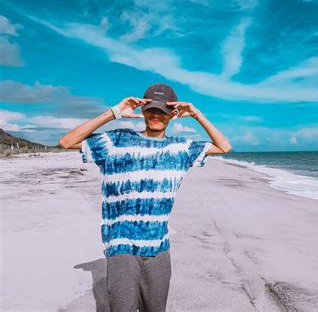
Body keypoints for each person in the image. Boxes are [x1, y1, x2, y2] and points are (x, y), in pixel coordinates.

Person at [58, 83, 232, 312]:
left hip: (159, 245)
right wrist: (115, 112)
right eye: (151, 109)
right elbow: (66, 142)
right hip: (121, 245)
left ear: (171, 115)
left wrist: (196, 114)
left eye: (162, 110)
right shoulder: (116, 142)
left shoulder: (181, 148)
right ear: (143, 110)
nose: (156, 115)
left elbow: (224, 146)